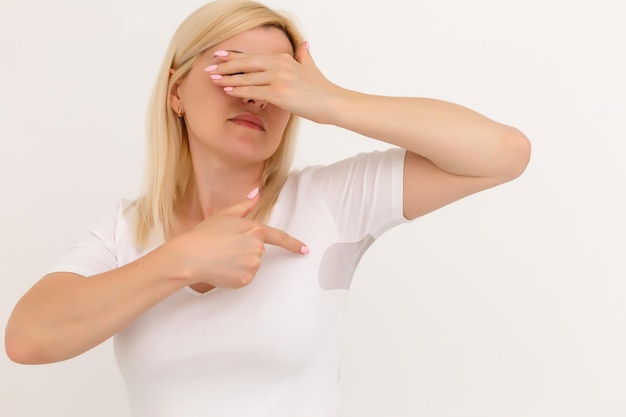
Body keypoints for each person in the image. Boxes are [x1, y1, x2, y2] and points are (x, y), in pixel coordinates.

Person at [4, 0, 531, 416]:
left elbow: (503, 153)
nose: (255, 97)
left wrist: (329, 101)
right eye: (234, 71)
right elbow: (28, 340)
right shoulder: (126, 230)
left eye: (274, 82)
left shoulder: (330, 204)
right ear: (176, 91)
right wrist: (181, 259)